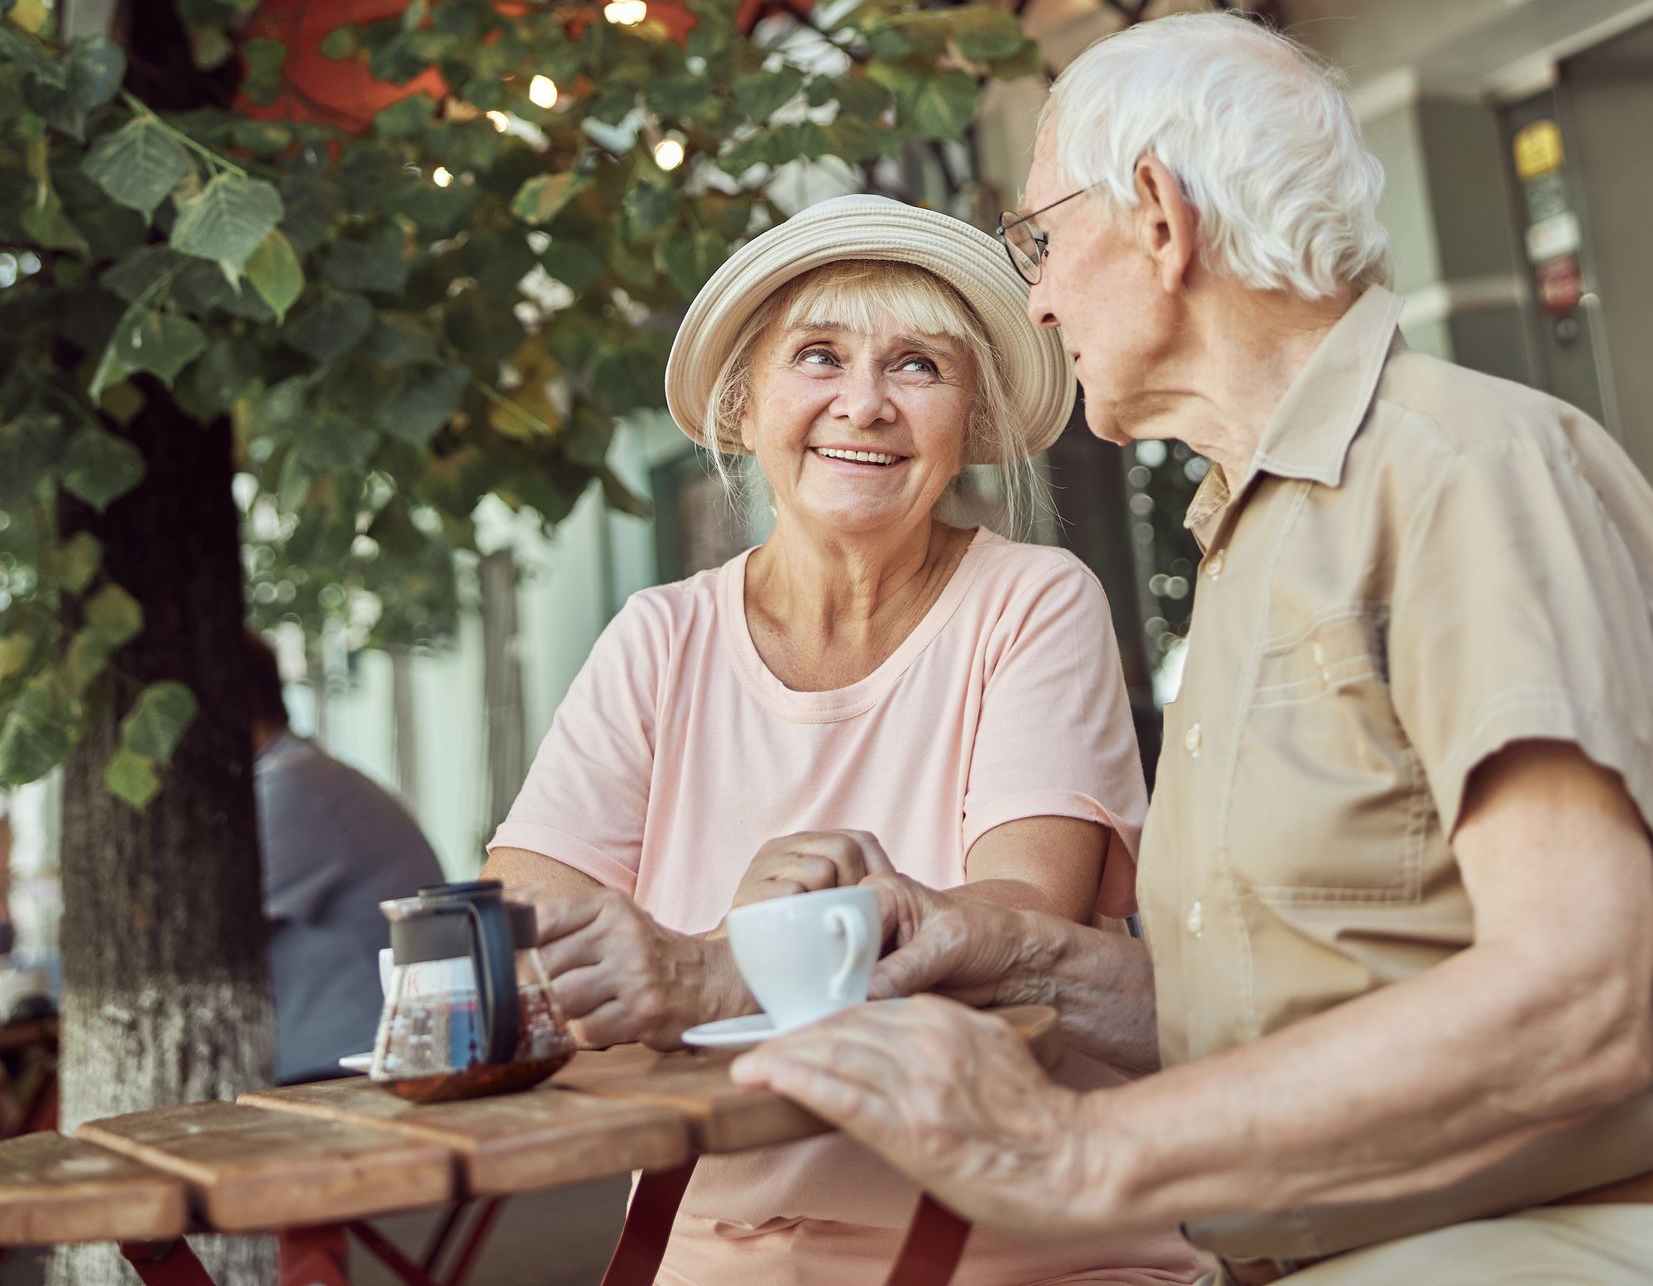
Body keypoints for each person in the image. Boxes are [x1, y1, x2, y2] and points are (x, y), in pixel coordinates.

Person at [729, 15, 1653, 1286]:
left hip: (1579, 1244)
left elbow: (1571, 1007)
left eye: (1041, 239)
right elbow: (1294, 1017)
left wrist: (1083, 1149)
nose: (1035, 298)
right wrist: (1005, 947)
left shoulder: (1459, 472)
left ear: (1158, 215)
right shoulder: (1262, 530)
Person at [485, 191, 1203, 1286]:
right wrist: (702, 953)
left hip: (1018, 1245)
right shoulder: (659, 639)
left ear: (970, 420)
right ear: (747, 403)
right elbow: (527, 938)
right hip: (716, 1247)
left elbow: (1020, 917)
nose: (863, 405)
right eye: (818, 357)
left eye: (918, 367)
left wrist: (715, 969)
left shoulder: (1033, 603)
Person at [246, 633, 442, 1083]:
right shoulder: (303, 776)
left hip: (351, 1066)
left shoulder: (292, 791)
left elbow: (201, 930)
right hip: (349, 1059)